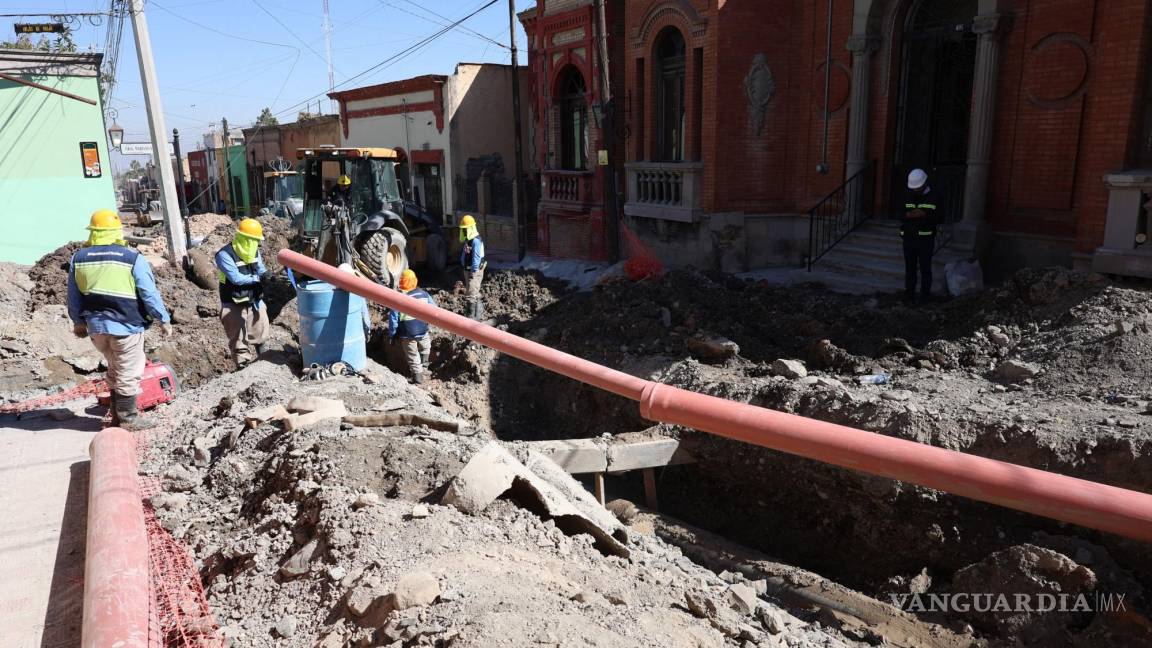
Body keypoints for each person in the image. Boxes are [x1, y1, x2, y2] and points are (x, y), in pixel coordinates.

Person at [67, 209, 172, 430]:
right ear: (116, 232)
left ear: (93, 232)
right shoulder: (131, 258)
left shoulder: (79, 258)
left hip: (96, 328)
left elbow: (73, 295)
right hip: (126, 325)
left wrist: (78, 321)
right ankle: (128, 419)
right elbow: (148, 293)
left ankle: (117, 415)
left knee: (114, 367)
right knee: (129, 371)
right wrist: (163, 319)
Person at [215, 218, 269, 367]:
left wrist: (267, 275)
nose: (258, 244)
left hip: (253, 299)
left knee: (261, 331)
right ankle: (242, 367)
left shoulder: (254, 251)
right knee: (237, 339)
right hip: (232, 302)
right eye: (256, 240)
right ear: (247, 239)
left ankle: (265, 362)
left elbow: (260, 268)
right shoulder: (224, 254)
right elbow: (236, 279)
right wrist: (258, 278)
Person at [387, 269, 436, 384]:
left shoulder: (399, 299)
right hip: (423, 330)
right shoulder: (424, 294)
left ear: (402, 282)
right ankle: (424, 367)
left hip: (407, 333)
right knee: (425, 346)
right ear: (414, 281)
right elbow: (434, 309)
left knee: (413, 355)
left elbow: (393, 320)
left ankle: (418, 378)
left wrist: (392, 335)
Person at [901, 168, 941, 302]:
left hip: (925, 239)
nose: (916, 191)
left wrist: (925, 214)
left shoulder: (935, 196)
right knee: (910, 269)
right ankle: (909, 295)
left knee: (925, 269)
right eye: (914, 188)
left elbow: (941, 217)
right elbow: (899, 213)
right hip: (909, 238)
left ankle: (924, 296)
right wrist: (907, 215)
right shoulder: (906, 194)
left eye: (918, 188)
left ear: (924, 184)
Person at [459, 214, 486, 320]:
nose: (464, 231)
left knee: (471, 295)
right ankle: (478, 315)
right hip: (468, 268)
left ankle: (471, 318)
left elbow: (476, 258)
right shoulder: (468, 240)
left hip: (474, 270)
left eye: (465, 229)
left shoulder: (476, 241)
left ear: (470, 228)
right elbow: (464, 253)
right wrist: (463, 264)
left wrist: (473, 272)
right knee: (472, 291)